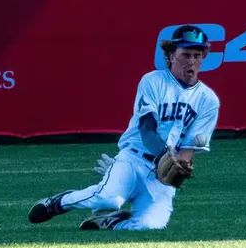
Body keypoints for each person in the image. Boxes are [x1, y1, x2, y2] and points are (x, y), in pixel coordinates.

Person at [27, 24, 220, 231]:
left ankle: (111, 221)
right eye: (185, 54)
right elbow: (147, 129)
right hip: (133, 159)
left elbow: (188, 149)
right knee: (108, 198)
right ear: (171, 55)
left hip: (160, 177)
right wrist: (163, 157)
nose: (191, 61)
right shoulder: (153, 81)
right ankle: (58, 203)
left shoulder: (208, 100)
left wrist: (180, 167)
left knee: (150, 226)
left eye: (197, 55)